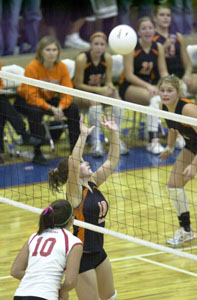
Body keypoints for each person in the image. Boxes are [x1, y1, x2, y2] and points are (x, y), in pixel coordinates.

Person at [48, 114, 119, 300]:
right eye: (83, 162)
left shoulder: (93, 183)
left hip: (98, 251)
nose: (86, 162)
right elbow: (73, 161)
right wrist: (83, 135)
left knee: (110, 297)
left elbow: (112, 161)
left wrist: (114, 133)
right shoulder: (74, 192)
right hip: (81, 256)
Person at [14, 36, 80, 165]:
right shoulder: (32, 67)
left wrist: (60, 108)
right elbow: (32, 97)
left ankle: (75, 153)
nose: (51, 53)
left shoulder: (61, 67)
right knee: (36, 111)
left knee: (72, 108)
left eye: (54, 50)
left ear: (59, 52)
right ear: (41, 52)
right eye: (48, 50)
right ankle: (37, 153)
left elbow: (67, 92)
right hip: (24, 101)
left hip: (47, 99)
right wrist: (51, 109)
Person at [11, 199, 83, 300]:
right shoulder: (74, 242)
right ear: (72, 219)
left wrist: (36, 281)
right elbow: (71, 282)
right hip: (46, 296)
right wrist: (61, 291)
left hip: (20, 295)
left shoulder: (35, 236)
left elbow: (15, 271)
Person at [119, 17, 168, 154]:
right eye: (144, 28)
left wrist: (168, 86)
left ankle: (177, 137)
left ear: (154, 30)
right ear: (138, 32)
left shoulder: (158, 47)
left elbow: (163, 71)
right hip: (129, 87)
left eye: (150, 28)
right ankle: (153, 141)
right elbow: (129, 75)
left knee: (169, 96)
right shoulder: (131, 47)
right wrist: (148, 86)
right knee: (154, 99)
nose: (148, 31)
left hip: (152, 86)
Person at [74, 31, 129, 157]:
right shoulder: (82, 59)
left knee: (118, 101)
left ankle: (116, 139)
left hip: (98, 93)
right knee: (96, 103)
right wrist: (100, 90)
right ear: (91, 45)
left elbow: (108, 81)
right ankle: (96, 142)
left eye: (102, 44)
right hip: (79, 94)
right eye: (96, 44)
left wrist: (111, 89)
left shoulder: (107, 58)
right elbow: (78, 85)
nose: (99, 47)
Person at [159, 74, 196, 246]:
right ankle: (186, 231)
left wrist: (194, 165)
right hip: (192, 146)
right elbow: (173, 129)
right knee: (173, 186)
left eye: (170, 91)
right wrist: (169, 148)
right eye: (162, 90)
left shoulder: (187, 109)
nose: (165, 94)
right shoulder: (165, 107)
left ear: (178, 92)